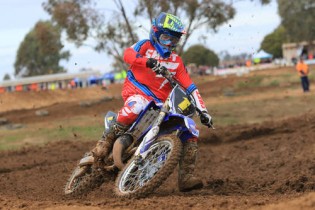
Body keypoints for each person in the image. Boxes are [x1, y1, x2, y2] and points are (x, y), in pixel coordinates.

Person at [91, 12, 213, 192]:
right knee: (137, 105)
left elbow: (190, 87)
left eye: (174, 40)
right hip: (137, 91)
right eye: (165, 38)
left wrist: (203, 111)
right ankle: (106, 141)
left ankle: (186, 176)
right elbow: (128, 55)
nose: (169, 43)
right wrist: (147, 62)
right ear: (155, 33)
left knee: (190, 128)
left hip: (161, 103)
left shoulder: (176, 62)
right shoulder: (145, 45)